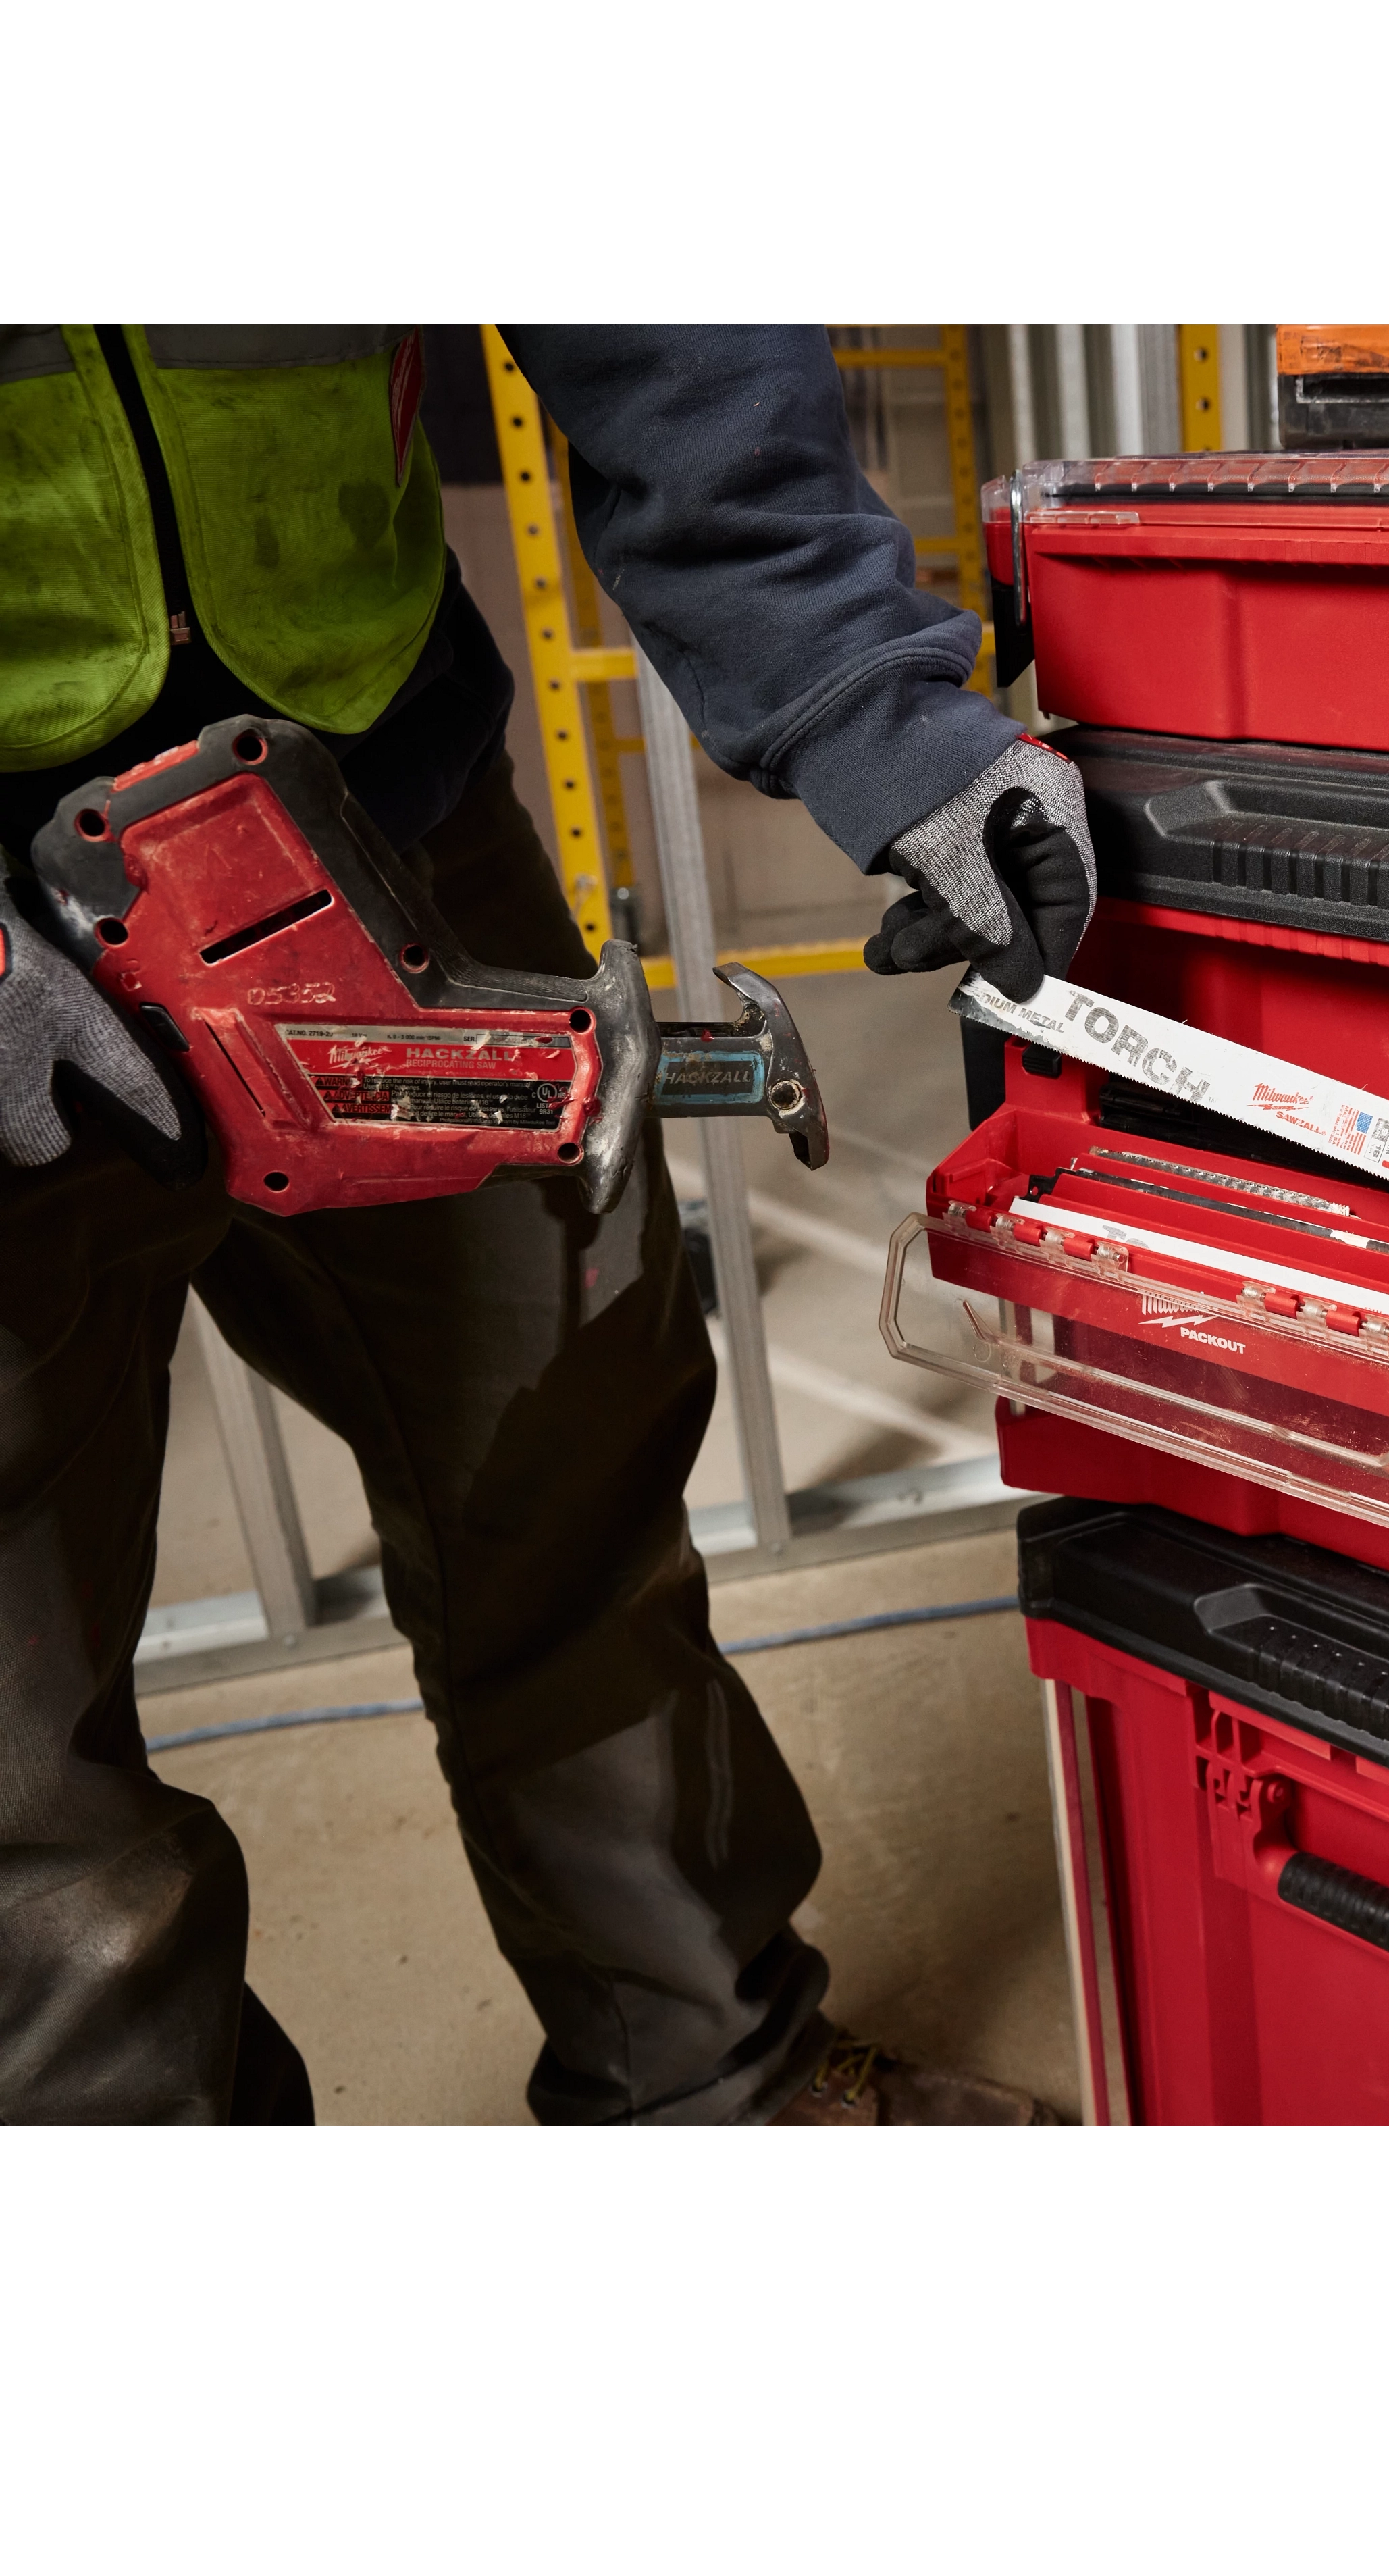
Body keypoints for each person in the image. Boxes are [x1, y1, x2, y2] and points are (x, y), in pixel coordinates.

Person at [0, 322, 1091, 2126]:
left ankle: (713, 2088)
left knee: (576, 1519)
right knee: (19, 1791)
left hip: (369, 816)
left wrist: (888, 717)